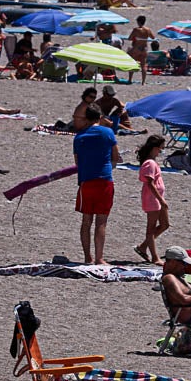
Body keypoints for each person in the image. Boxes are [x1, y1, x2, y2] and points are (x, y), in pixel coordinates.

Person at [73, 105, 119, 265]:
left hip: (86, 181)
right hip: (104, 179)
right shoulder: (108, 132)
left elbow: (78, 162)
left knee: (86, 221)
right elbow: (116, 155)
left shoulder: (79, 137)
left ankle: (87, 257)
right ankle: (99, 258)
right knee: (101, 221)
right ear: (99, 117)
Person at [134, 135, 168, 264]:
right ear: (155, 148)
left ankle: (143, 247)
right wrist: (161, 200)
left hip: (157, 198)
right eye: (161, 149)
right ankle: (155, 257)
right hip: (152, 198)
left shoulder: (152, 162)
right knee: (151, 227)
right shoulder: (150, 163)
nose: (161, 152)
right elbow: (150, 183)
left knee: (164, 224)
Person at [128, 16, 155, 85]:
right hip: (144, 48)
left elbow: (130, 38)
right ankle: (143, 82)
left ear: (138, 22)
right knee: (143, 65)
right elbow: (153, 37)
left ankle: (130, 80)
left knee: (132, 64)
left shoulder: (136, 30)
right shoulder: (148, 29)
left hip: (137, 48)